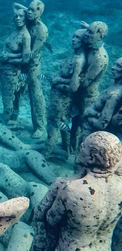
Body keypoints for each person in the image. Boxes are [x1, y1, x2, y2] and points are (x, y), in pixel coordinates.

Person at [24, 131, 122, 251]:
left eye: (83, 147)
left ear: (92, 155)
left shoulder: (71, 189)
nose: (79, 149)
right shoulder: (119, 186)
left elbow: (50, 219)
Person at [44, 29, 86, 157]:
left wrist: (57, 81)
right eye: (73, 36)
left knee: (53, 123)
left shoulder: (79, 60)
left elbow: (74, 86)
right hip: (58, 97)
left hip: (63, 98)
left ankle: (47, 151)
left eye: (78, 38)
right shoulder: (74, 56)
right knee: (61, 123)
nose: (73, 39)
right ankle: (66, 149)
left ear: (84, 41)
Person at [14, 0, 48, 138]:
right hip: (21, 63)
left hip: (32, 66)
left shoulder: (42, 30)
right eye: (29, 9)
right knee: (16, 91)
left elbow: (31, 54)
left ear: (40, 13)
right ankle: (13, 118)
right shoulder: (27, 18)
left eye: (34, 10)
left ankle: (40, 127)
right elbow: (15, 6)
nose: (29, 12)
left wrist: (12, 59)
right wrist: (27, 10)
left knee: (36, 95)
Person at [0, 4, 31, 130]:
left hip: (13, 72)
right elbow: (15, 4)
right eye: (16, 16)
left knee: (10, 97)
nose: (17, 18)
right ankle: (12, 119)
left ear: (25, 18)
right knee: (10, 96)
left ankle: (6, 122)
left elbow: (26, 58)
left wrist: (9, 58)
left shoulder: (25, 36)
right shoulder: (15, 31)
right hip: (4, 70)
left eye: (21, 16)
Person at [81, 57, 122, 140]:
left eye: (118, 66)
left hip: (94, 139)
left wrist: (88, 114)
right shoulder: (114, 87)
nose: (113, 67)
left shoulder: (114, 95)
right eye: (114, 64)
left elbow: (102, 124)